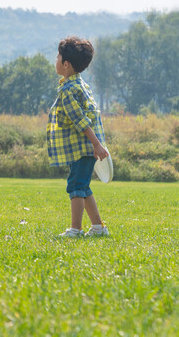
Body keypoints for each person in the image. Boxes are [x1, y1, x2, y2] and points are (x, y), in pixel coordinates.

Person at [47, 36, 110, 238]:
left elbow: (81, 121)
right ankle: (98, 227)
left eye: (58, 57)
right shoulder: (81, 84)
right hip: (86, 148)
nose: (55, 59)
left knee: (75, 186)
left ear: (66, 64)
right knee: (83, 186)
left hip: (83, 148)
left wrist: (97, 145)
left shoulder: (68, 90)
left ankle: (75, 229)